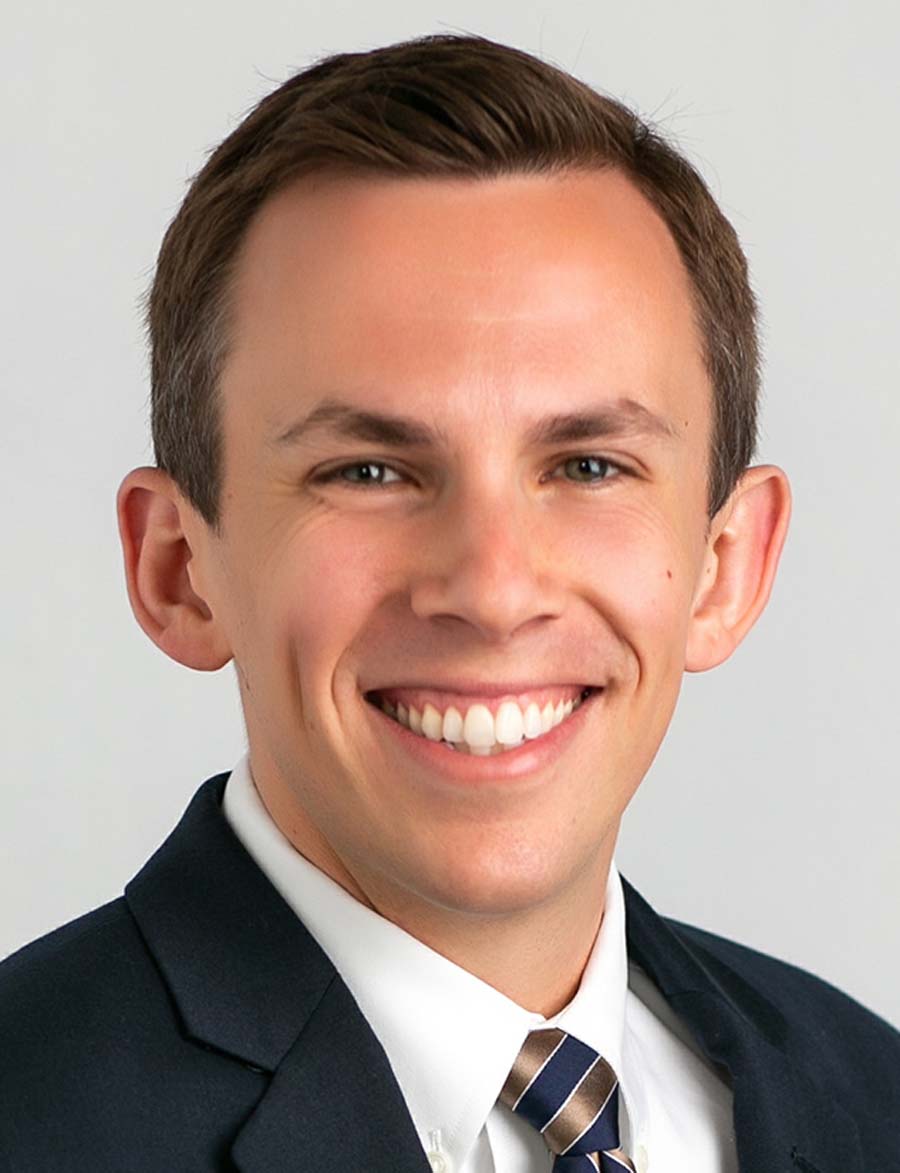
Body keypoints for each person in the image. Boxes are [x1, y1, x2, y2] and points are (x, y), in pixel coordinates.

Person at [0, 31, 896, 1173]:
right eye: (369, 471)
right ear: (179, 569)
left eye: (589, 466)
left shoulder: (871, 1100)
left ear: (727, 564)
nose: (493, 590)